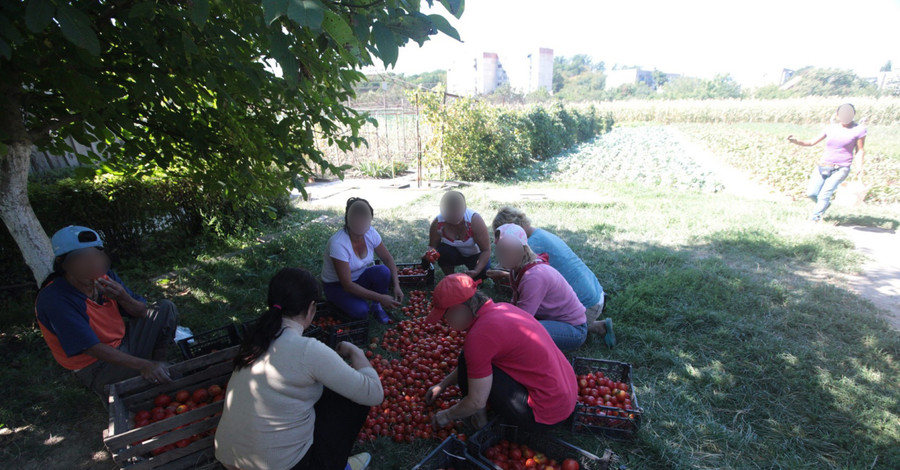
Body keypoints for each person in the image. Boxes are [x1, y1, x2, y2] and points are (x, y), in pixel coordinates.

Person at [215, 268, 382, 470]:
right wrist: (357, 353)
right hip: (281, 466)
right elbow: (373, 393)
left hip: (228, 460)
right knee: (354, 401)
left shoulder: (255, 340)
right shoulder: (307, 350)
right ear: (312, 307)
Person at [34, 225, 178, 399]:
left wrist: (123, 296)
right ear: (63, 264)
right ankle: (147, 371)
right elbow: (91, 348)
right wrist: (143, 365)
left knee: (164, 307)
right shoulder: (55, 299)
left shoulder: (105, 277)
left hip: (122, 342)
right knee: (174, 379)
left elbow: (141, 312)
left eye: (95, 256)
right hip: (97, 365)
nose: (92, 264)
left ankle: (158, 363)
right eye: (81, 259)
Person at [423, 273, 577, 432]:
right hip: (564, 400)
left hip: (544, 415)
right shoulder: (503, 308)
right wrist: (442, 385)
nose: (447, 323)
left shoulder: (479, 336)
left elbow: (477, 402)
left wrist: (446, 415)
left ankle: (480, 421)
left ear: (460, 309)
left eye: (446, 316)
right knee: (468, 358)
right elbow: (469, 362)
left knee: (473, 368)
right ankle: (480, 416)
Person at [490, 206, 615, 347]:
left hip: (588, 307)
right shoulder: (533, 245)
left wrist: (497, 323)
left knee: (527, 331)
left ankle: (576, 332)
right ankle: (595, 327)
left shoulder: (532, 269)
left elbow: (523, 319)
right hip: (592, 297)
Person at [489, 224, 588, 352]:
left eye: (509, 251)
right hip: (553, 319)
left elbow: (522, 319)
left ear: (523, 250)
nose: (503, 256)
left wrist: (497, 324)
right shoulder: (518, 269)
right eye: (501, 250)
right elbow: (515, 305)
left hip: (574, 330)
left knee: (525, 334)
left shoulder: (534, 277)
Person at [321, 197, 404, 324]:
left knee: (383, 271)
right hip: (337, 286)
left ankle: (376, 306)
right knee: (361, 311)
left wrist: (397, 285)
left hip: (360, 279)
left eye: (364, 217)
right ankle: (337, 304)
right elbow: (347, 285)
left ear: (370, 219)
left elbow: (387, 259)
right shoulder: (338, 243)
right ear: (347, 219)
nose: (360, 222)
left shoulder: (371, 233)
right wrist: (381, 297)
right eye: (355, 217)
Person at [787, 103, 867, 222]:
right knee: (812, 193)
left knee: (825, 194)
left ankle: (814, 219)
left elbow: (859, 150)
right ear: (837, 114)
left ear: (853, 114)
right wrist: (795, 141)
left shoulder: (859, 130)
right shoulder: (830, 128)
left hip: (841, 167)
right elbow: (811, 142)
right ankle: (824, 205)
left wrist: (859, 167)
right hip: (823, 165)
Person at [427, 191, 491, 280]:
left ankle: (475, 272)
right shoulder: (438, 222)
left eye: (457, 213)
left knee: (483, 273)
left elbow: (486, 250)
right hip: (453, 253)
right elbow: (432, 245)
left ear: (464, 209)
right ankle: (450, 277)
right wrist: (430, 254)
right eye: (450, 214)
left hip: (475, 254)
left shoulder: (474, 220)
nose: (454, 216)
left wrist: (477, 270)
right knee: (443, 251)